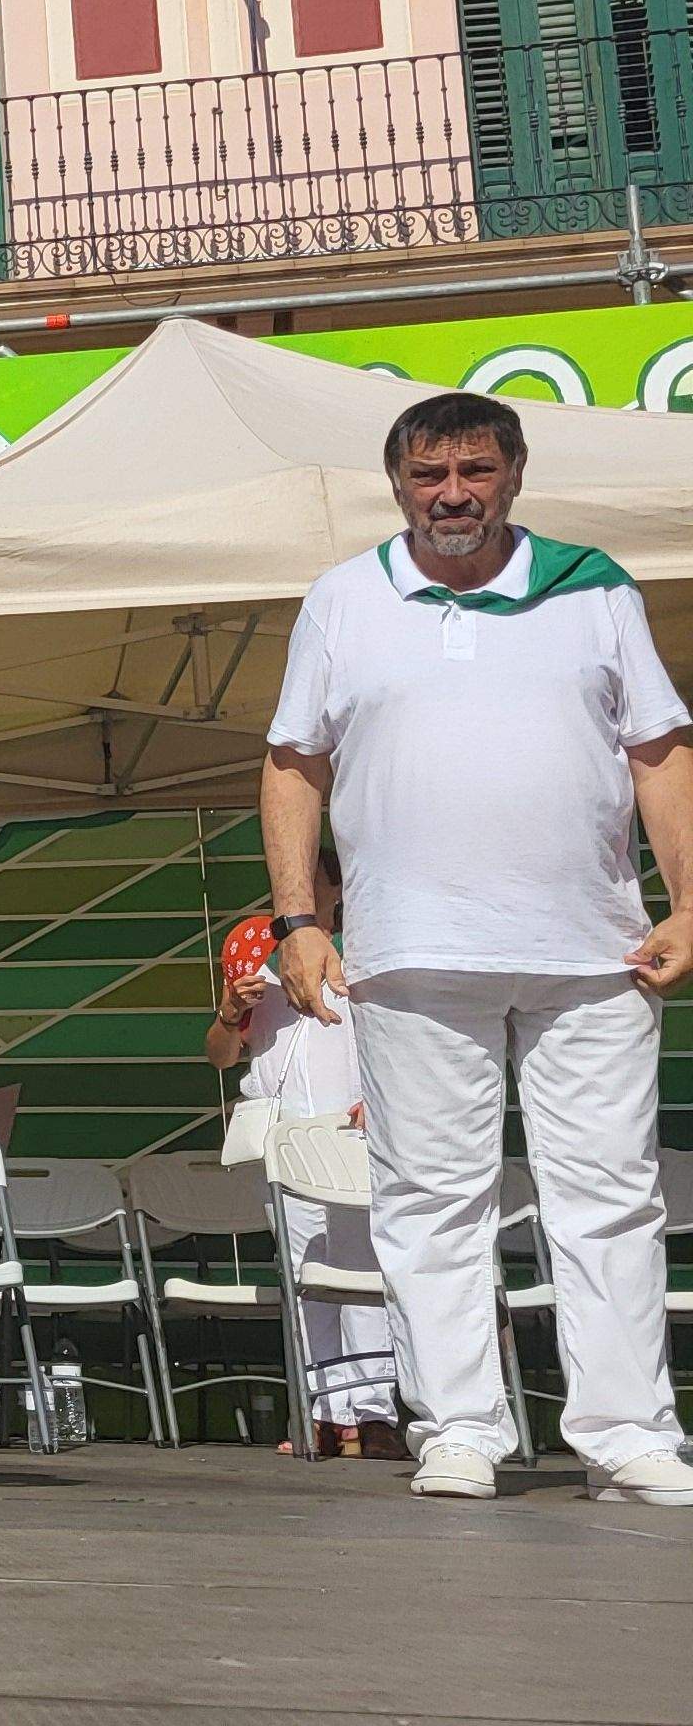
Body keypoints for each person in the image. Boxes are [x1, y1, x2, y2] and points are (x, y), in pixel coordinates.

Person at [260, 389, 693, 1507]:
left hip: (595, 951)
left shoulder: (594, 588)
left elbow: (658, 748)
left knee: (608, 1196)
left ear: (514, 474)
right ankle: (457, 1427)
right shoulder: (342, 598)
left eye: (474, 471)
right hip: (410, 949)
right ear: (398, 484)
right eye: (428, 475)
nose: (451, 495)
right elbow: (293, 762)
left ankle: (628, 1434)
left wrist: (689, 902)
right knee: (428, 1198)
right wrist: (299, 921)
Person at [201, 856, 405, 1458]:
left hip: (356, 1126)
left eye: (309, 876)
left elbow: (397, 1035)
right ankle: (321, 1411)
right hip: (286, 1132)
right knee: (305, 1273)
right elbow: (219, 1056)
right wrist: (230, 1012)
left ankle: (373, 1413)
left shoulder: (369, 940)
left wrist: (382, 1095)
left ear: (336, 884)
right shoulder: (251, 941)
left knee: (364, 1269)